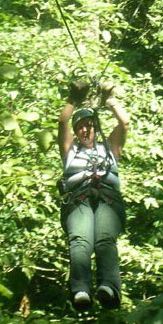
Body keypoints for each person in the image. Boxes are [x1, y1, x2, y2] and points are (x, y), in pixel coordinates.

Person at [58, 81, 129, 311]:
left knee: (105, 241)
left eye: (90, 125)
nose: (86, 129)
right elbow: (62, 122)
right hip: (78, 200)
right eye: (81, 126)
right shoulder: (70, 151)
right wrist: (73, 100)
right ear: (77, 131)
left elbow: (124, 122)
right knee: (80, 241)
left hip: (108, 201)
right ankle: (81, 290)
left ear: (96, 129)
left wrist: (110, 100)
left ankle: (109, 288)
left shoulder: (109, 148)